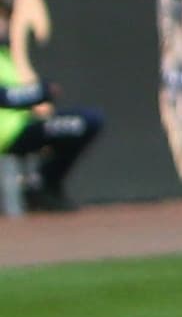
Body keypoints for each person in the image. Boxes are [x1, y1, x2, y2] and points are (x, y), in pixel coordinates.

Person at [0, 40, 105, 210]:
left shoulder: (4, 55)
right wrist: (41, 91)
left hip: (21, 126)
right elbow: (6, 97)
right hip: (9, 135)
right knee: (86, 122)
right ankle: (40, 186)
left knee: (88, 121)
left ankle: (42, 184)